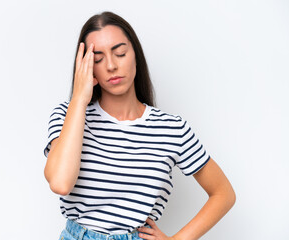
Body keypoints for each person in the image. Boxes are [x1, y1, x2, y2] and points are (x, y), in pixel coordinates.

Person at [44, 11, 236, 240]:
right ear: (86, 68)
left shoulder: (172, 129)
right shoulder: (69, 115)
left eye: (120, 53)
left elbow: (224, 193)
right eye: (98, 59)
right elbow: (60, 183)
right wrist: (79, 99)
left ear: (135, 54)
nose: (112, 65)